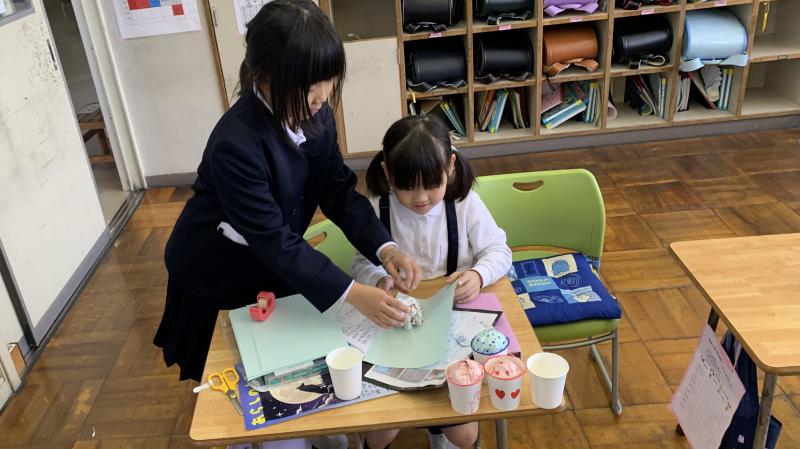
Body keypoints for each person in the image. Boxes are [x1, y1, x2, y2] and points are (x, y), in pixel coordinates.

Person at [154, 0, 422, 385]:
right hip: (216, 267)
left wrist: (387, 250)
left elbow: (338, 192)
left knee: (289, 359)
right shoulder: (235, 144)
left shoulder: (317, 113)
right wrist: (352, 293)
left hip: (274, 258)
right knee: (233, 374)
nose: (323, 97)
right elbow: (274, 239)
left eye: (329, 82)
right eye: (311, 88)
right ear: (265, 78)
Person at [352, 115, 512, 449]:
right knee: (379, 433)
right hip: (396, 324)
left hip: (456, 322)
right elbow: (360, 263)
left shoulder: (464, 204)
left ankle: (438, 429)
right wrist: (379, 280)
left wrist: (478, 274)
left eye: (431, 185)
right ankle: (427, 422)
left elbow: (499, 251)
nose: (421, 197)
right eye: (408, 187)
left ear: (450, 166)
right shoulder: (377, 208)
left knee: (464, 434)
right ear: (388, 174)